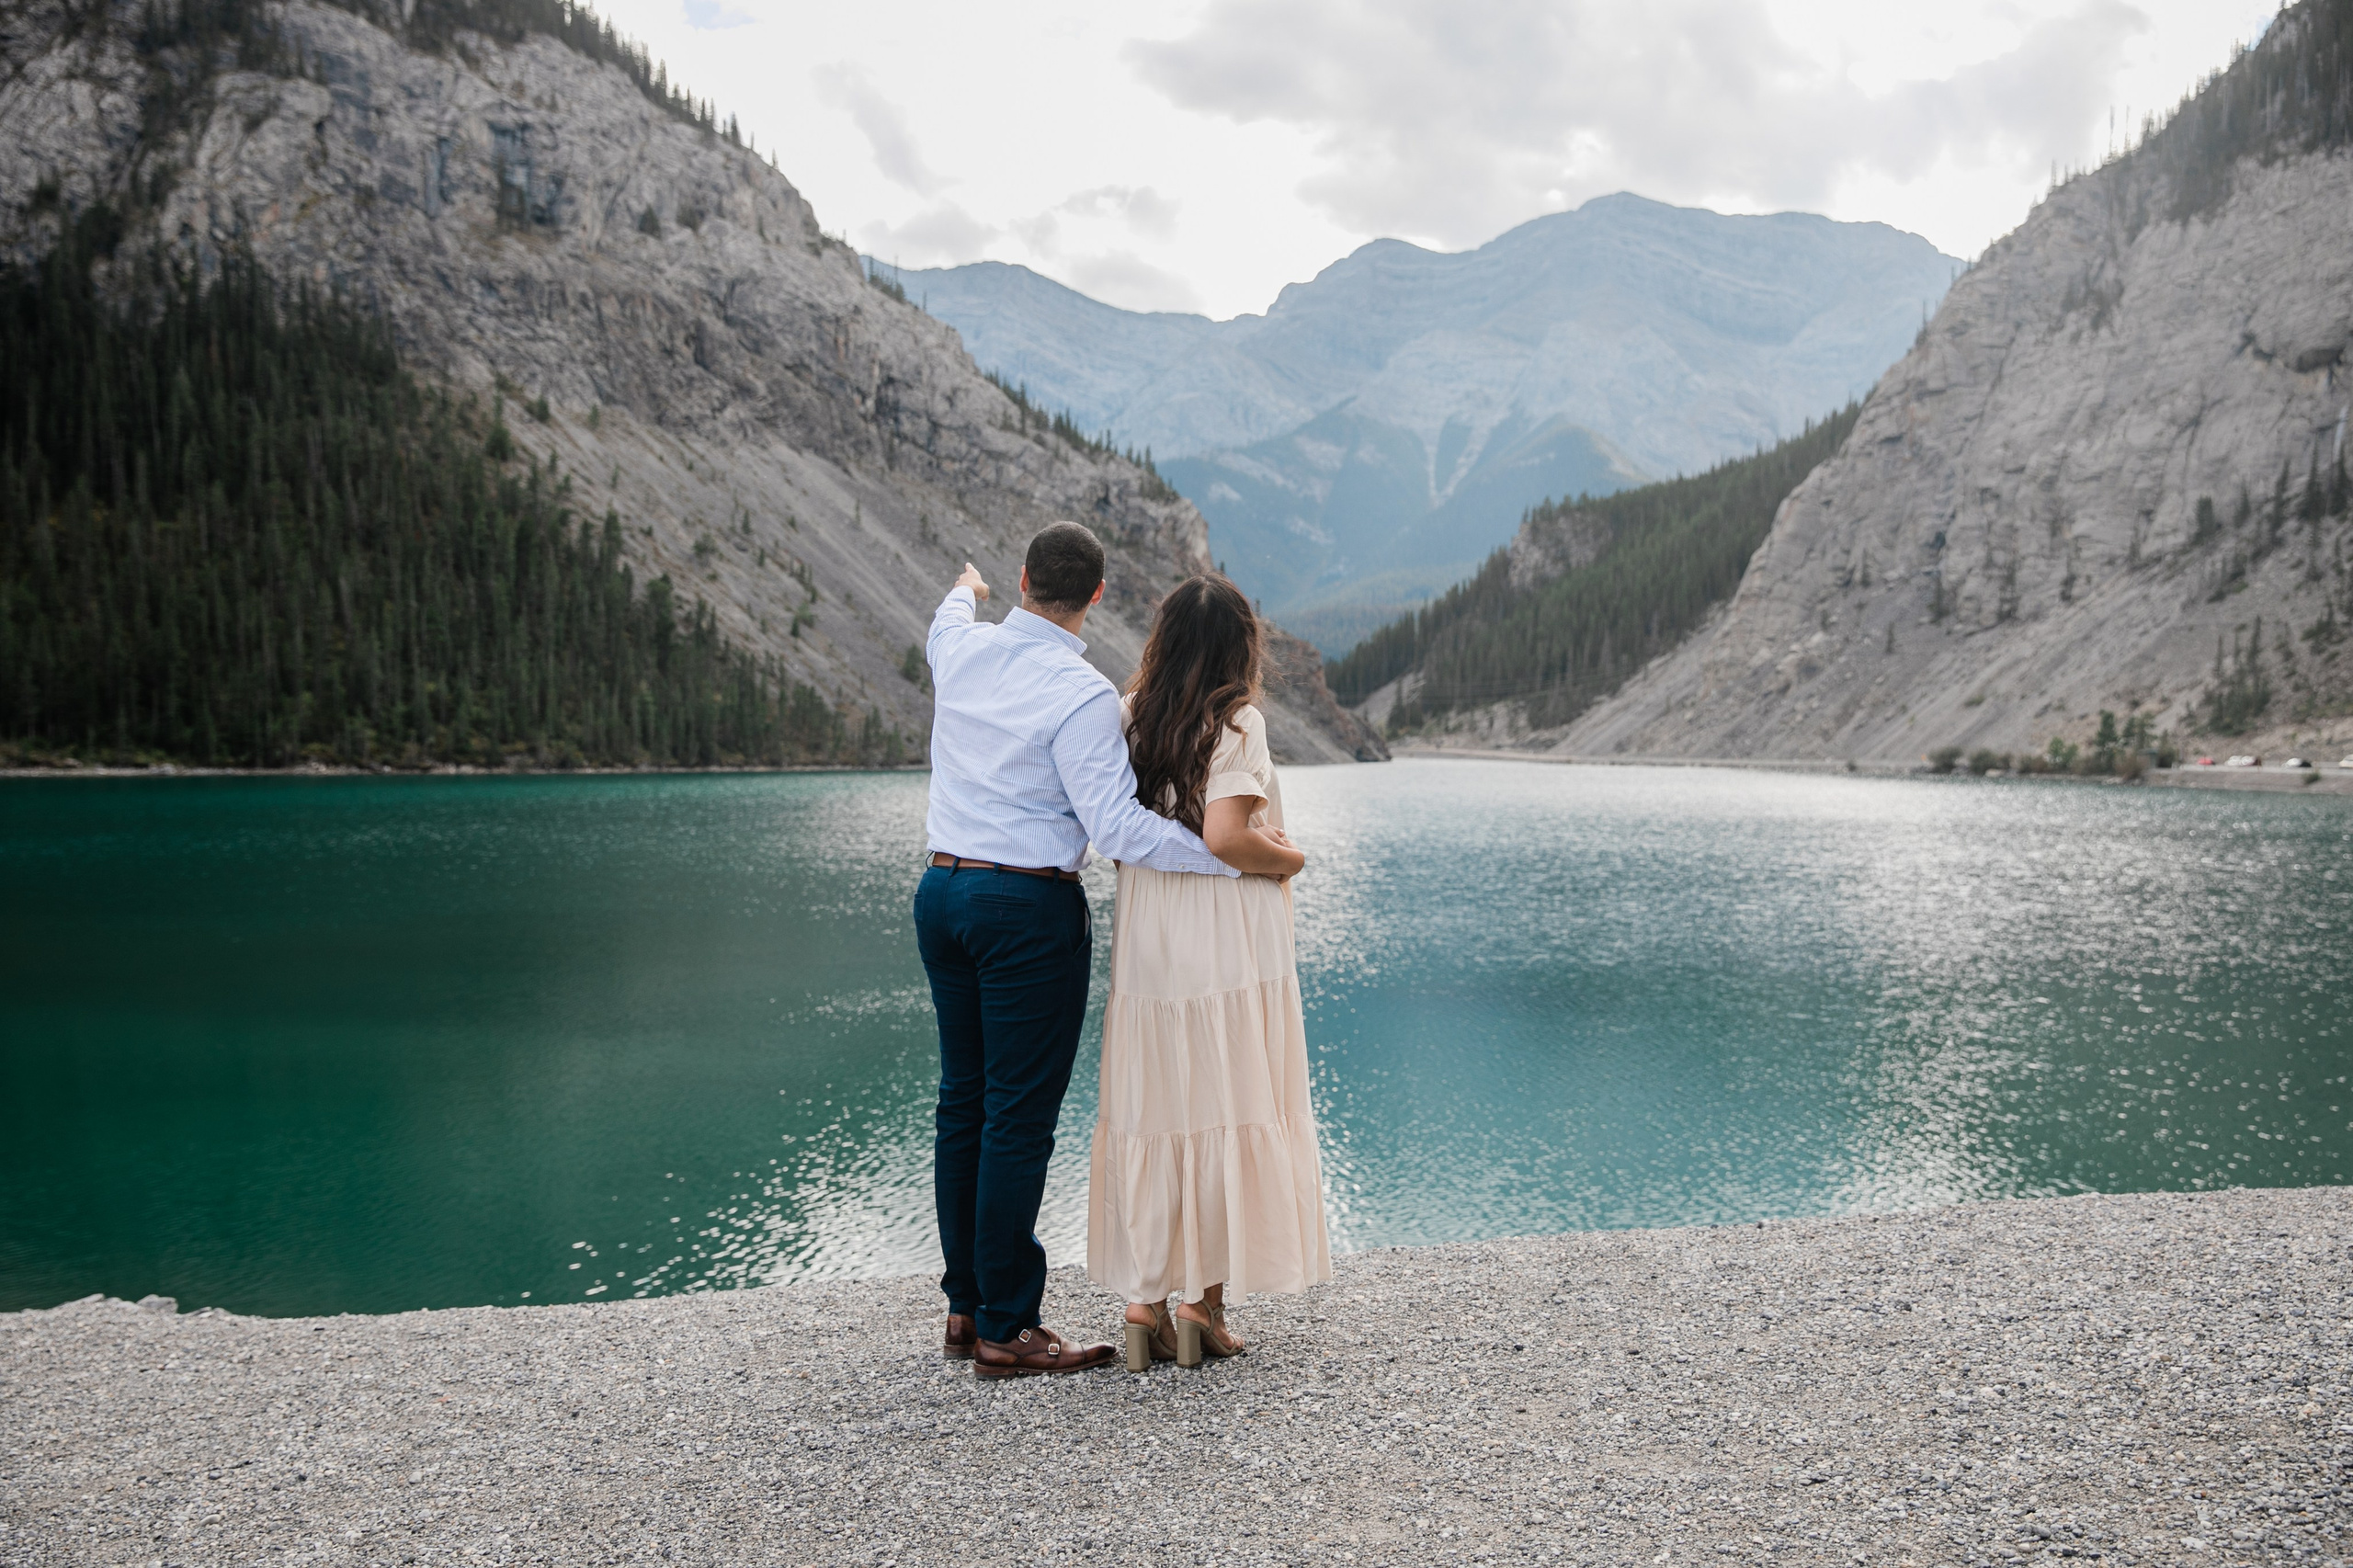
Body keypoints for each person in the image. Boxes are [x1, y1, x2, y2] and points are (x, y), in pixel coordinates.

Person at [915, 523, 1242, 1380]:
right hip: (1024, 906)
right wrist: (1228, 856)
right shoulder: (1083, 693)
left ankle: (964, 1305)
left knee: (964, 1102)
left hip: (941, 894)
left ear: (1025, 579)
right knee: (1016, 1118)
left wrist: (967, 586)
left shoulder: (961, 647)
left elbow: (945, 614)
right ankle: (1007, 1328)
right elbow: (1118, 828)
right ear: (1097, 596)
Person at [1087, 573, 1332, 1371]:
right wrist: (1289, 857)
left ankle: (1143, 1305)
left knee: (1159, 1103)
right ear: (1237, 646)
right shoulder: (1236, 720)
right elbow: (1229, 834)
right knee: (1225, 1096)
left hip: (1153, 937)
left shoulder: (1128, 716)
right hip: (1225, 937)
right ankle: (1203, 1307)